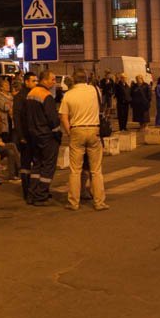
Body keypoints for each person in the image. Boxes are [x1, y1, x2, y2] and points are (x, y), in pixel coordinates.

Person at [60, 68, 108, 211]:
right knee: (96, 170)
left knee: (75, 170)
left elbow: (63, 117)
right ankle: (99, 202)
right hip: (94, 130)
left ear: (74, 79)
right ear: (86, 79)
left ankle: (74, 202)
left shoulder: (68, 95)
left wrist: (69, 132)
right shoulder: (94, 90)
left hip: (77, 129)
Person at [24, 69, 61, 207]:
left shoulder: (31, 94)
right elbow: (52, 119)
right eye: (52, 79)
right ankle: (41, 195)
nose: (54, 82)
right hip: (47, 135)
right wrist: (58, 134)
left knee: (37, 165)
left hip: (34, 136)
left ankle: (31, 193)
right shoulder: (46, 96)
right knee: (48, 166)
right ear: (44, 80)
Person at [12, 71, 37, 200]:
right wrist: (21, 136)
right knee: (26, 164)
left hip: (35, 135)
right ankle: (27, 191)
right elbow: (16, 118)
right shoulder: (20, 97)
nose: (35, 83)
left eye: (36, 81)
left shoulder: (35, 94)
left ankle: (36, 189)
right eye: (33, 81)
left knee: (37, 163)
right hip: (25, 136)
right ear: (26, 82)